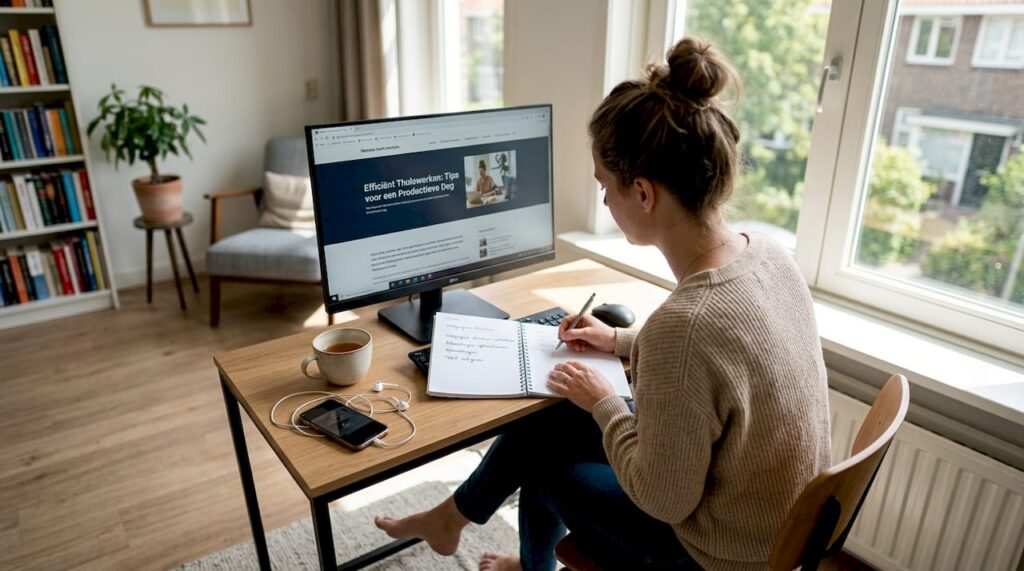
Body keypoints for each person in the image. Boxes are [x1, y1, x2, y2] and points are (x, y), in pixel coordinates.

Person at [375, 37, 831, 571]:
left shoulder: (684, 326)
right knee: (549, 418)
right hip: (779, 521)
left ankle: (496, 545)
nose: (605, 202)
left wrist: (606, 405)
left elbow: (663, 500)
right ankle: (455, 521)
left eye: (604, 187)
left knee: (543, 457)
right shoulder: (769, 255)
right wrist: (618, 342)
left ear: (642, 192)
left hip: (720, 552)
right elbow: (728, 355)